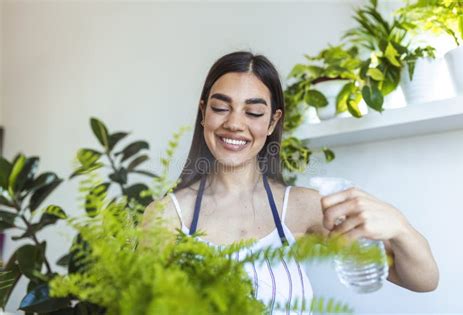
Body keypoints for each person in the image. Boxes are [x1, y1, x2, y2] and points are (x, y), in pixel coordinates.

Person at [142, 51, 439, 314]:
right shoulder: (166, 216)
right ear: (203, 112)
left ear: (272, 122)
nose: (234, 123)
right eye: (221, 108)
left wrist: (399, 227)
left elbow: (422, 280)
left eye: (254, 112)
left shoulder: (302, 208)